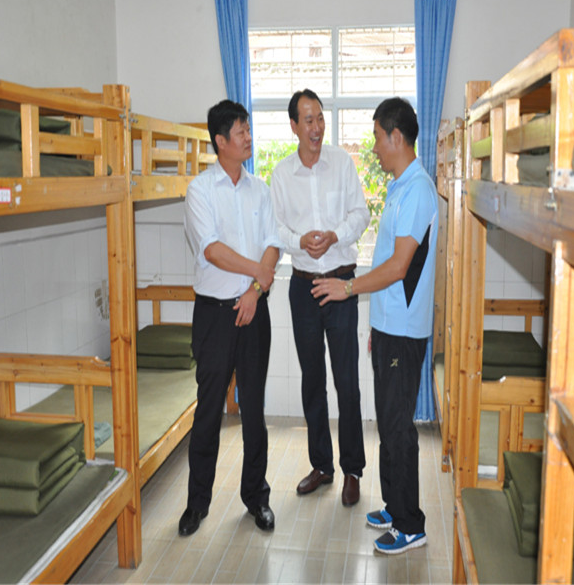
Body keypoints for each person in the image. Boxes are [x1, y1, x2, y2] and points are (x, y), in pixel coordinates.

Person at [311, 97, 438, 554]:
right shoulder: (401, 186)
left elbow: (399, 267)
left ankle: (410, 524)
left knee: (399, 427)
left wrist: (348, 288)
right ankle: (393, 504)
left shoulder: (418, 190)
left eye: (378, 138)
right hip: (389, 327)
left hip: (404, 331)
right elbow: (389, 260)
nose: (375, 147)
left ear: (396, 137)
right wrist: (376, 327)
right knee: (387, 421)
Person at [180, 99, 282, 536]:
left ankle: (257, 498)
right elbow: (212, 250)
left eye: (248, 130)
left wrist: (256, 290)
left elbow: (273, 243)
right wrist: (258, 273)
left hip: (254, 311)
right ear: (220, 141)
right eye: (240, 132)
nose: (248, 138)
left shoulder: (261, 189)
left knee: (254, 411)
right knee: (208, 412)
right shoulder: (200, 190)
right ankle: (197, 504)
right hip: (215, 316)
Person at [271, 89, 370, 507]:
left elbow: (361, 214)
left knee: (347, 381)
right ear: (294, 126)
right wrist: (299, 241)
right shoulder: (281, 174)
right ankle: (322, 466)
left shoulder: (342, 163)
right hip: (303, 287)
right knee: (312, 381)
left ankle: (352, 470)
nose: (316, 128)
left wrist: (335, 236)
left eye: (320, 118)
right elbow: (275, 228)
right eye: (308, 120)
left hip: (341, 284)